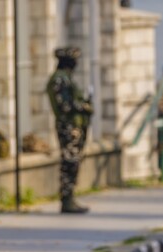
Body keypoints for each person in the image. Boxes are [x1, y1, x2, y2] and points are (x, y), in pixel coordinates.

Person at [46, 47, 93, 214]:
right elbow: (65, 106)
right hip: (68, 127)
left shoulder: (66, 78)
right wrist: (83, 107)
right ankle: (67, 199)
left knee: (73, 162)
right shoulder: (59, 80)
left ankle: (70, 197)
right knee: (69, 163)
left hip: (74, 127)